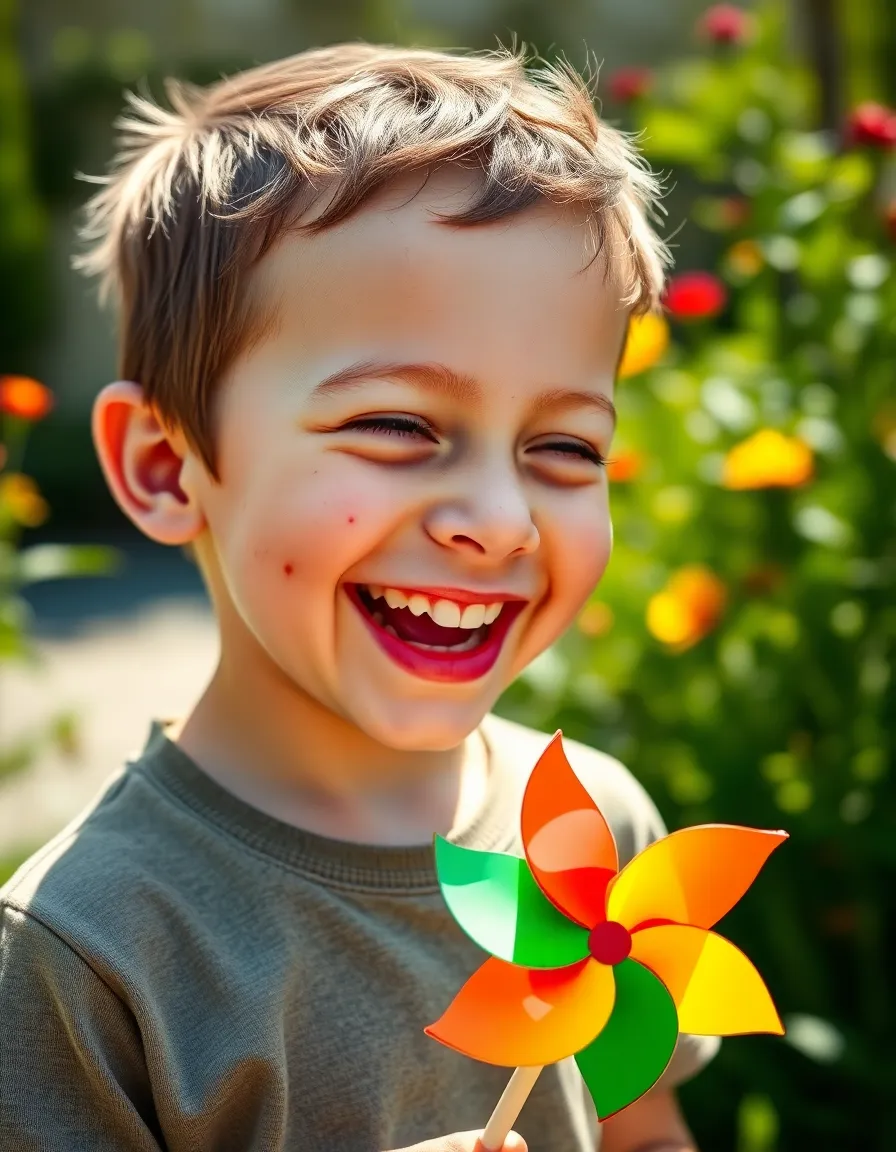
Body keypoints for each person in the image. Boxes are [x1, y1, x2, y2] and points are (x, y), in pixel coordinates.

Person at [0, 43, 719, 1152]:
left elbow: (643, 1128)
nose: (500, 518)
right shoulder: (85, 953)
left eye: (564, 446)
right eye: (395, 425)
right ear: (163, 466)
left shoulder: (593, 831)